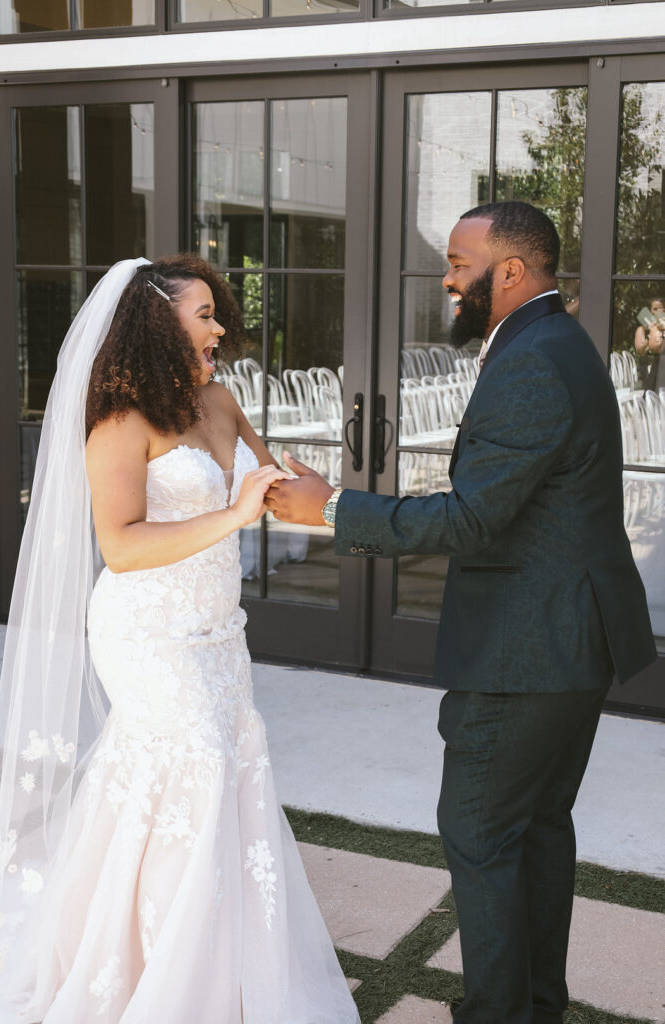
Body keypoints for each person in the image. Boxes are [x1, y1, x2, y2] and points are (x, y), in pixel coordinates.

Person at [265, 202, 657, 1024]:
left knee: (481, 834)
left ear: (509, 271)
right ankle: (530, 1007)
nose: (445, 278)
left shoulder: (531, 360)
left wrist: (330, 507)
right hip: (565, 636)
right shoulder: (553, 343)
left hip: (530, 649)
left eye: (457, 261)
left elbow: (472, 518)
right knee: (535, 831)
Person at [0, 255, 361, 1023]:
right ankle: (148, 974)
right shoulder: (120, 420)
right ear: (157, 325)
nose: (219, 325)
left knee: (224, 774)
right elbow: (120, 545)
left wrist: (327, 501)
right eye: (203, 313)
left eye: (216, 312)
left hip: (218, 633)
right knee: (191, 769)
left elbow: (271, 489)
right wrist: (231, 516)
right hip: (146, 633)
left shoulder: (219, 400)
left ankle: (217, 955)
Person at [633, 296, 664, 392]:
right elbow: (640, 350)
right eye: (655, 309)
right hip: (649, 372)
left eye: (662, 308)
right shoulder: (643, 330)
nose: (658, 311)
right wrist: (651, 334)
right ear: (650, 311)